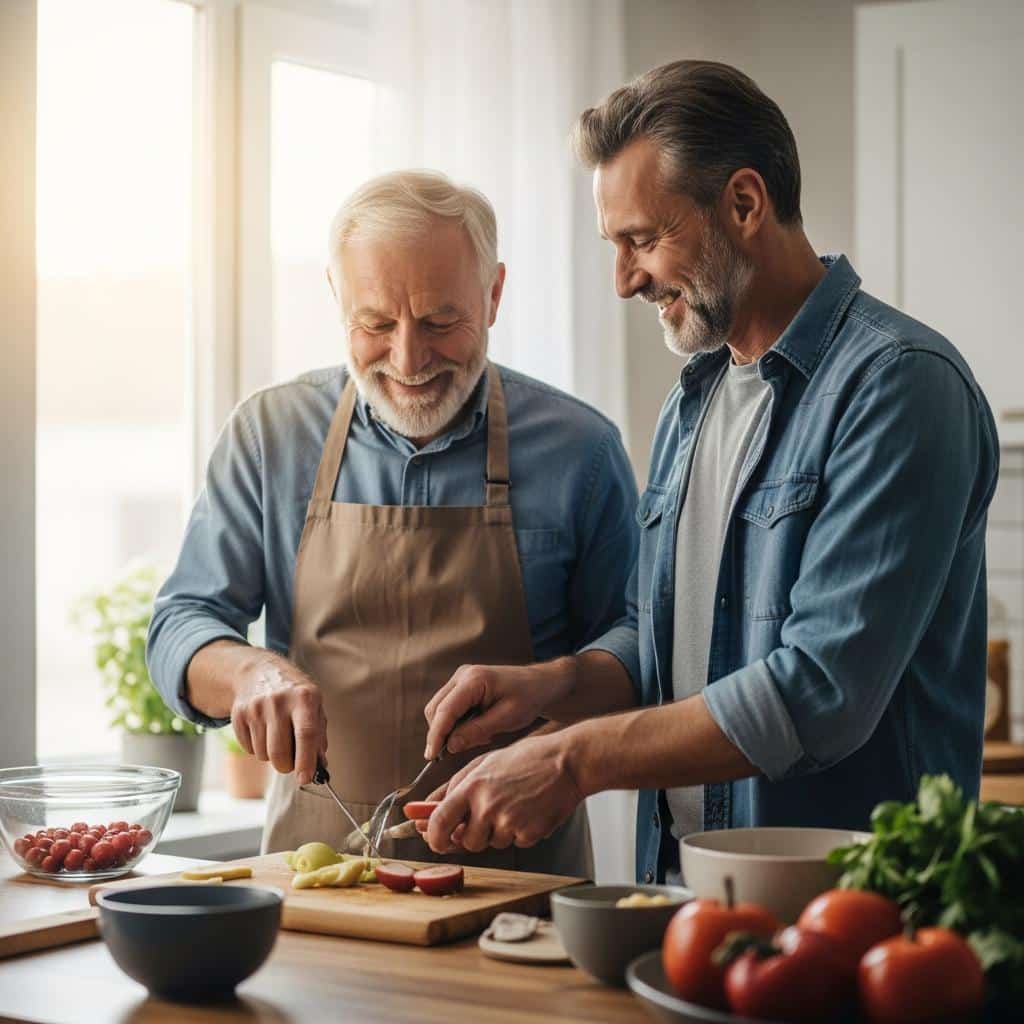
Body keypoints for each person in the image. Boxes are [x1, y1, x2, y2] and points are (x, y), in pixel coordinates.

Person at [420, 60, 999, 884]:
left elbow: (818, 691)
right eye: (614, 245)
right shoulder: (694, 399)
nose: (624, 280)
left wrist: (575, 761)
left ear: (744, 204)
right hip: (686, 893)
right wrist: (555, 686)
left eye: (644, 240)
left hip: (862, 919)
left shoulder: (901, 385)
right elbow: (676, 651)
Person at [147, 170, 640, 876]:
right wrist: (249, 674)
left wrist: (555, 682)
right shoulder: (270, 434)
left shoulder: (581, 450)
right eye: (375, 322)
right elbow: (181, 625)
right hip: (312, 877)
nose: (408, 360)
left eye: (441, 321)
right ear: (336, 296)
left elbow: (639, 649)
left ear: (494, 294)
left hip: (522, 883)